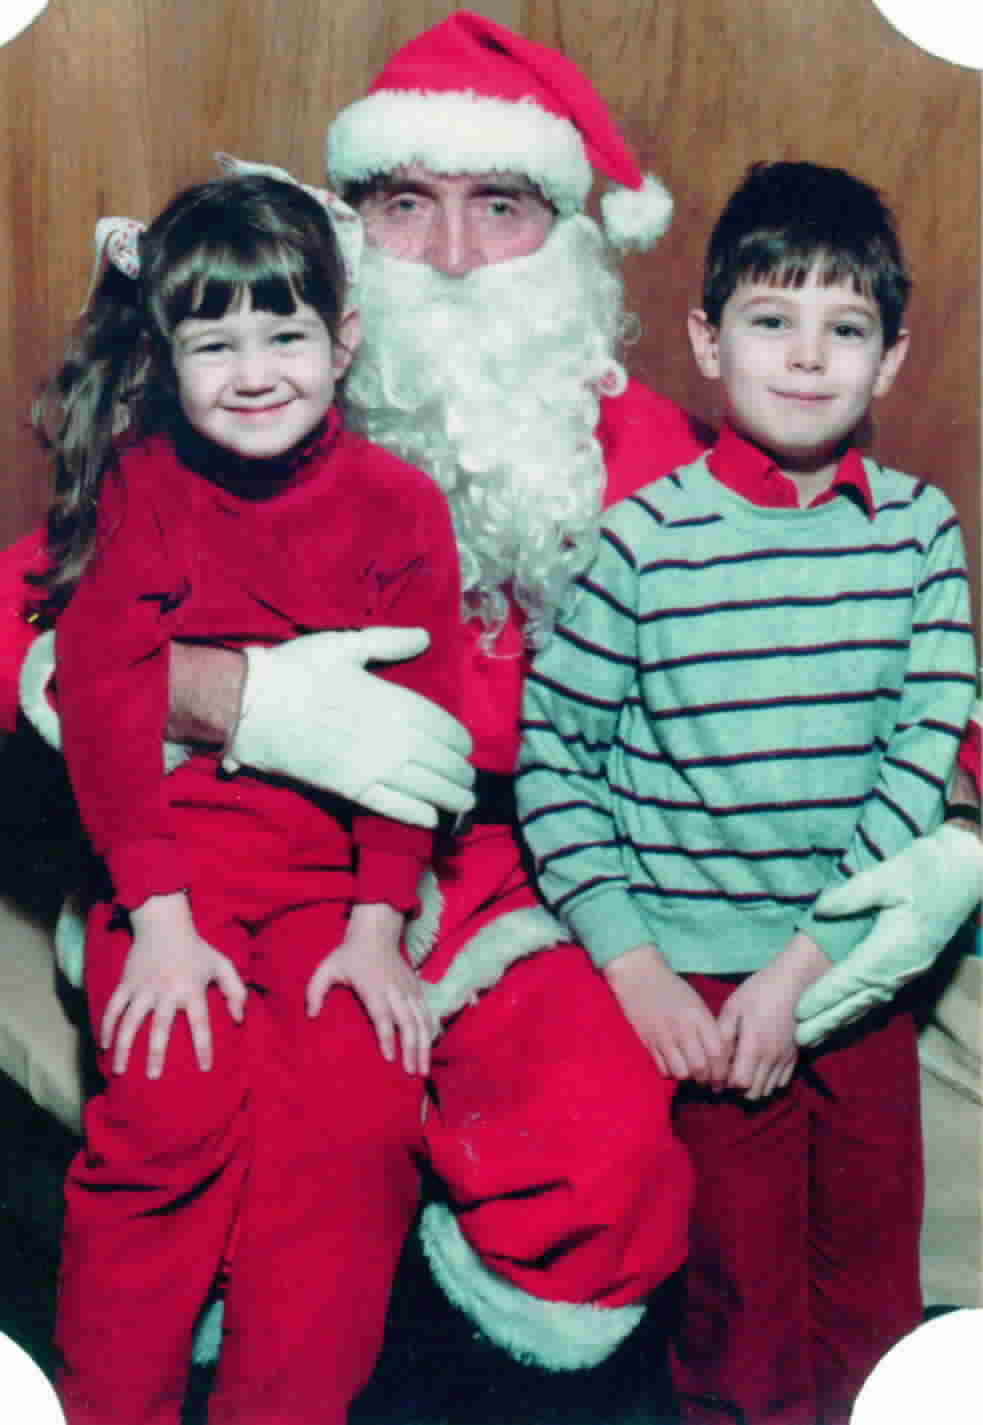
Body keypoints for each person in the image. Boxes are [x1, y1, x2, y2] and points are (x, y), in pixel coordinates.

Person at [0, 5, 978, 1412]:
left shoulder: (656, 452)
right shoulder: (247, 393)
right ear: (348, 237)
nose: (453, 257)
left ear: (568, 239)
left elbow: (852, 652)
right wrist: (236, 698)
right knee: (202, 1116)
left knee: (604, 1172)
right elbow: (36, 614)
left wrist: (958, 832)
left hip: (527, 873)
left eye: (500, 208)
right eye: (406, 205)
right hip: (237, 851)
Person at [516, 161, 977, 1425]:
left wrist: (806, 967)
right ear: (706, 340)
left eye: (846, 328)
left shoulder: (918, 531)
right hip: (702, 989)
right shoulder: (640, 542)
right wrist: (634, 967)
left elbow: (921, 749)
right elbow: (555, 758)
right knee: (739, 1297)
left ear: (890, 360)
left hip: (855, 967)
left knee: (872, 1290)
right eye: (771, 319)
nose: (807, 356)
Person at [34, 168, 469, 1425]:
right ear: (164, 357)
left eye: (284, 335)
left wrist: (379, 927)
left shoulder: (400, 506)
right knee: (169, 1093)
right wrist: (159, 923)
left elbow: (422, 740)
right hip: (176, 870)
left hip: (337, 888)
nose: (253, 373)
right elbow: (105, 706)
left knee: (356, 1121)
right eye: (212, 344)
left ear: (343, 340)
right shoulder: (137, 489)